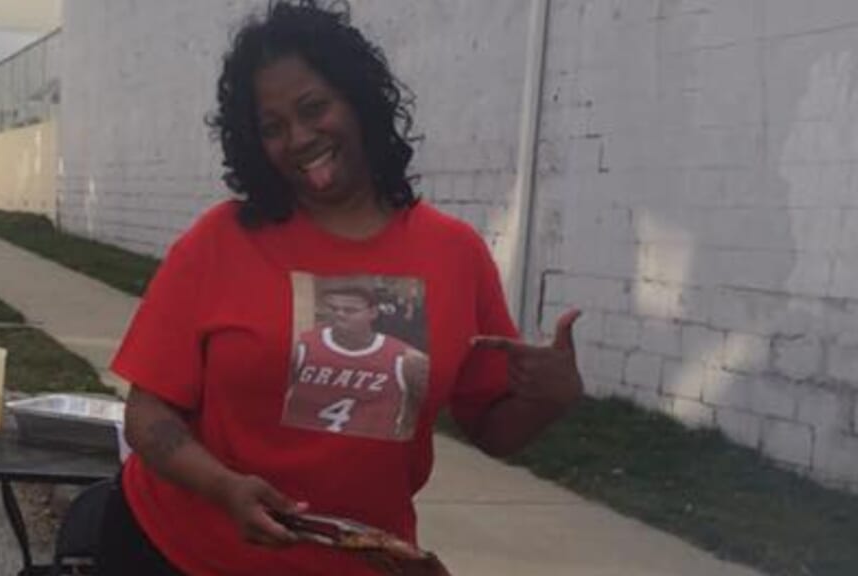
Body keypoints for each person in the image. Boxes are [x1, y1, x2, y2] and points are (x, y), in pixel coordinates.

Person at [98, 1, 584, 575]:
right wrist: (223, 487)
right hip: (179, 554)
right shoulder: (220, 241)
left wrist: (548, 398)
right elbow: (147, 413)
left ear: (358, 99)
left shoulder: (454, 254)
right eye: (273, 127)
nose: (299, 138)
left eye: (313, 108)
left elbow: (492, 430)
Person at [285, 285, 429, 440]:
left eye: (350, 310)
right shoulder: (301, 347)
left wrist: (405, 433)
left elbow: (421, 411)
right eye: (333, 308)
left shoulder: (405, 359)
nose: (339, 314)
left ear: (373, 313)